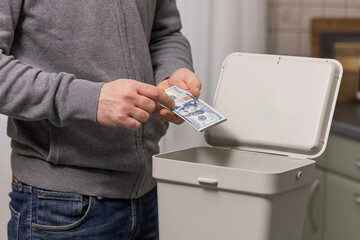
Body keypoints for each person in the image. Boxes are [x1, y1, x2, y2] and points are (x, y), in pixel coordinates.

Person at [0, 1, 201, 239]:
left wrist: (172, 72)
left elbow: (165, 33)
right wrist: (91, 100)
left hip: (148, 195)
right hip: (59, 207)